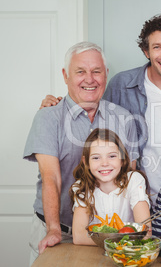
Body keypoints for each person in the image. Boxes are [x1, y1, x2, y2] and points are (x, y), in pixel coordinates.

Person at [41, 14, 161, 204]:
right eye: (157, 47)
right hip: (139, 200)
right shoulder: (121, 85)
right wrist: (56, 105)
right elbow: (92, 111)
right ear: (146, 51)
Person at [23, 42, 139, 264]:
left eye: (96, 71)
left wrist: (132, 229)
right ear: (66, 76)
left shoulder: (124, 118)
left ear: (106, 74)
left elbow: (130, 177)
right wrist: (54, 229)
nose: (89, 79)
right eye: (80, 72)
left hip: (110, 234)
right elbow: (51, 178)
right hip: (59, 232)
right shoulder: (49, 117)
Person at [70, 128, 150, 245]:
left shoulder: (134, 180)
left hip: (128, 254)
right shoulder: (82, 187)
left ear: (122, 159)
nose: (104, 163)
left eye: (112, 156)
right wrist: (123, 239)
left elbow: (145, 233)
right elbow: (79, 237)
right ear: (86, 162)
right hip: (94, 254)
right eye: (96, 158)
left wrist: (107, 239)